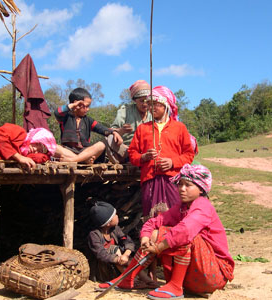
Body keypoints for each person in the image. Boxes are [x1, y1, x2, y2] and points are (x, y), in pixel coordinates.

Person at [98, 163, 234, 299]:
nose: (182, 189)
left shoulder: (203, 206)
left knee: (180, 234)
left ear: (201, 189)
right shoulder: (182, 207)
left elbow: (185, 231)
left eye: (188, 185)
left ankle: (175, 286)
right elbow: (153, 222)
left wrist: (159, 247)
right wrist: (145, 238)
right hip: (196, 275)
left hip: (214, 274)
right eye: (180, 184)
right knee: (156, 233)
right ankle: (128, 278)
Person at [127, 86, 195, 219]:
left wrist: (172, 162)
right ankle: (152, 240)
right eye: (150, 104)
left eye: (156, 104)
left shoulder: (179, 128)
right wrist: (144, 157)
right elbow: (132, 154)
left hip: (173, 180)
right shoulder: (142, 129)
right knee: (151, 217)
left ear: (166, 105)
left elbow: (189, 154)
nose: (152, 108)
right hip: (149, 180)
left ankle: (173, 240)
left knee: (176, 216)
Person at [88, 201, 158, 287]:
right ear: (108, 222)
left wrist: (126, 254)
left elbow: (127, 241)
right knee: (114, 249)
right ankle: (134, 280)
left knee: (131, 261)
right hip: (105, 270)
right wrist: (118, 259)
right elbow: (101, 254)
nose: (117, 216)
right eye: (115, 215)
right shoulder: (94, 235)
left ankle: (146, 281)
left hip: (121, 266)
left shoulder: (115, 229)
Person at [54, 87, 123, 163]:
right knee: (53, 147)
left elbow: (101, 129)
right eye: (85, 106)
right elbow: (57, 112)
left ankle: (74, 160)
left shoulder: (88, 120)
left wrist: (113, 132)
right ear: (77, 104)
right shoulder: (65, 117)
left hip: (86, 151)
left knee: (102, 144)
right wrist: (73, 105)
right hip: (68, 151)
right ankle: (83, 160)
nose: (87, 109)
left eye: (88, 106)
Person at [106, 80, 153, 163]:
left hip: (147, 150)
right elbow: (111, 131)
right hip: (126, 149)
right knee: (110, 138)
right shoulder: (125, 110)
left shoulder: (154, 113)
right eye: (141, 101)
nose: (145, 104)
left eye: (148, 101)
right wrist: (121, 131)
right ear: (135, 100)